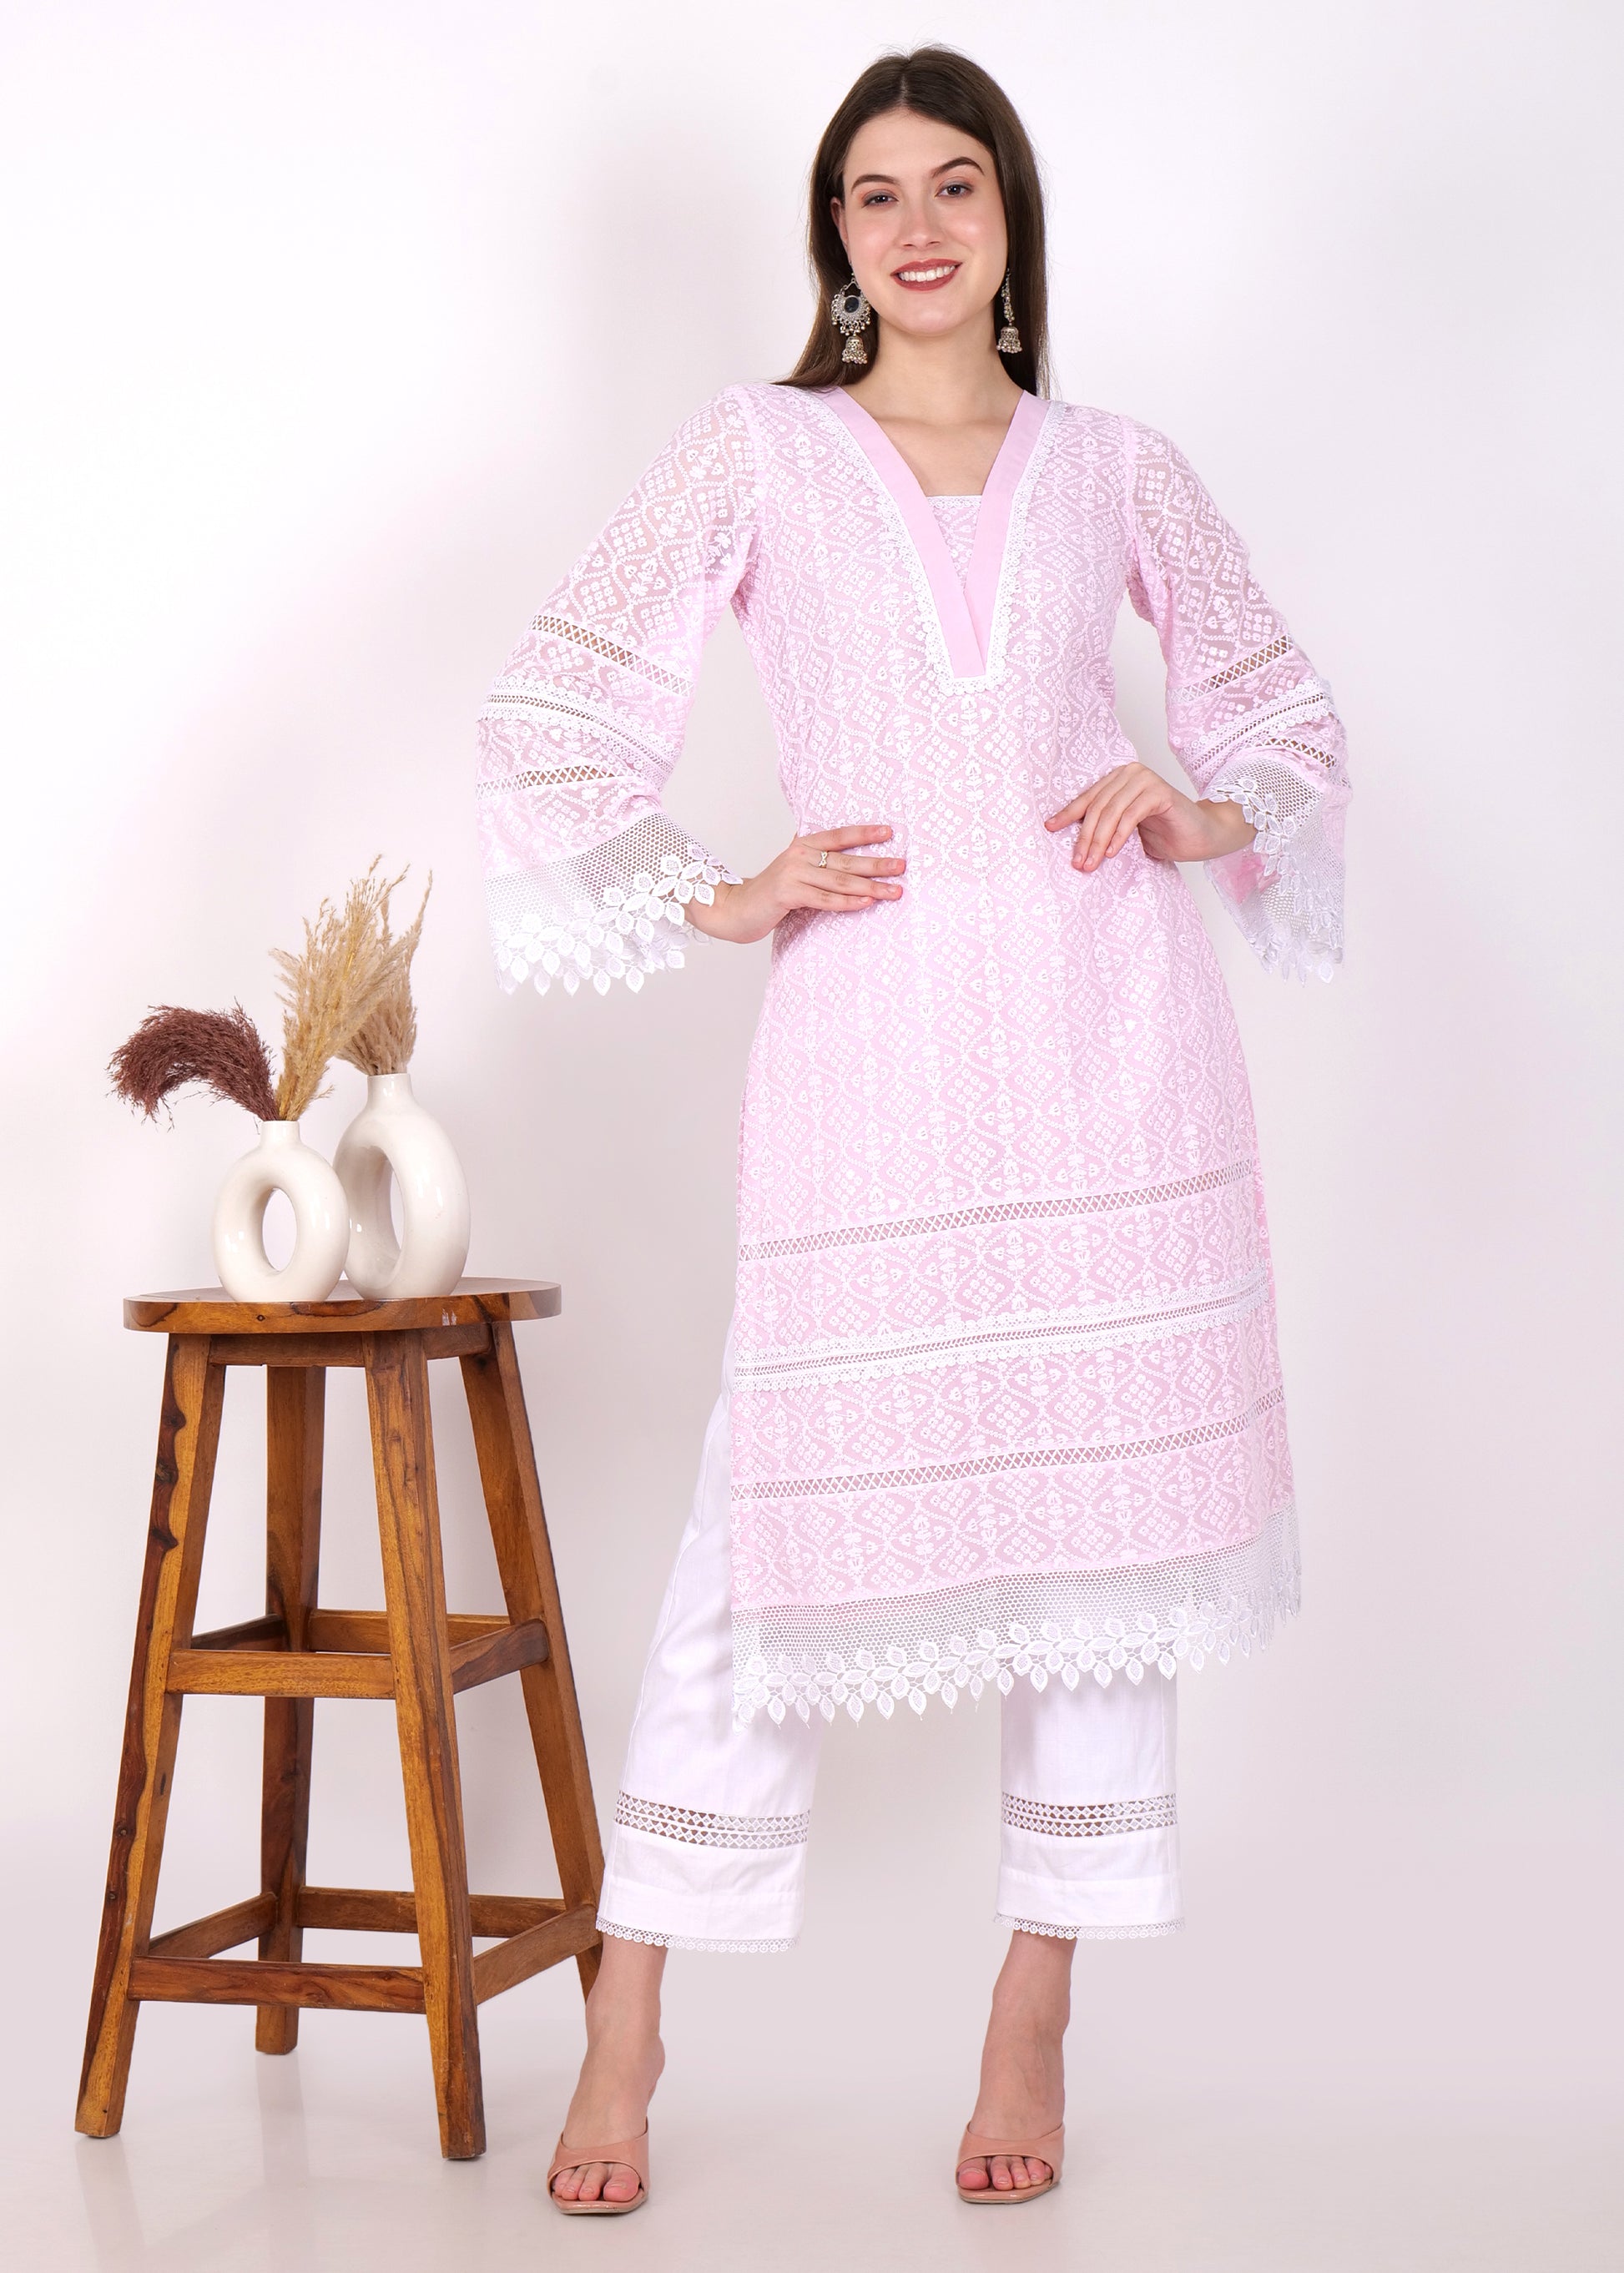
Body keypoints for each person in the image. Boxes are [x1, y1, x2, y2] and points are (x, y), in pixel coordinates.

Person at [474, 45, 1349, 2217]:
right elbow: (547, 715)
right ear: (835, 236)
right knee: (759, 1520)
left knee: (1095, 1534)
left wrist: (1194, 801)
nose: (916, 224)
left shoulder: (1116, 467)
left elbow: (1280, 716)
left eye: (951, 183)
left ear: (1009, 214)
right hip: (865, 1046)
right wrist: (719, 879)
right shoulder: (756, 456)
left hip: (1102, 1032)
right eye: (873, 193)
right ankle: (631, 2009)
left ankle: (1034, 1992)